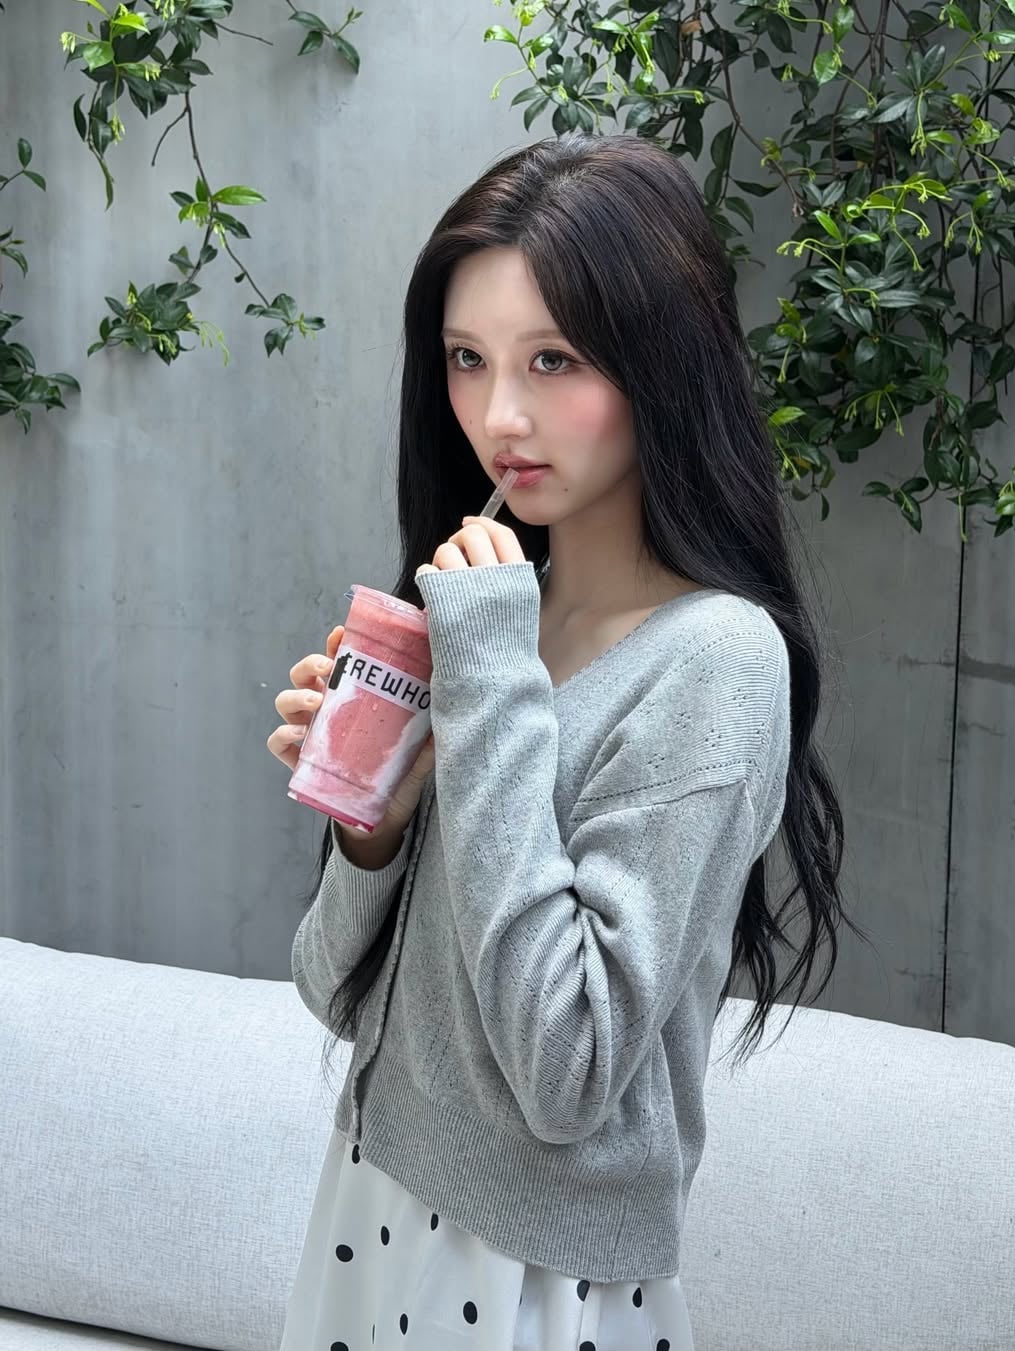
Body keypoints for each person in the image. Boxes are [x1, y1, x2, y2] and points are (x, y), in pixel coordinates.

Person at [268, 131, 870, 1351]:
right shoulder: (502, 624)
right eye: (468, 359)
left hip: (537, 1282)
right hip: (373, 1202)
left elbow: (568, 1071)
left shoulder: (716, 658)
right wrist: (374, 828)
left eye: (554, 359)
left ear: (661, 363)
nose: (500, 415)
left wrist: (488, 682)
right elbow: (331, 991)